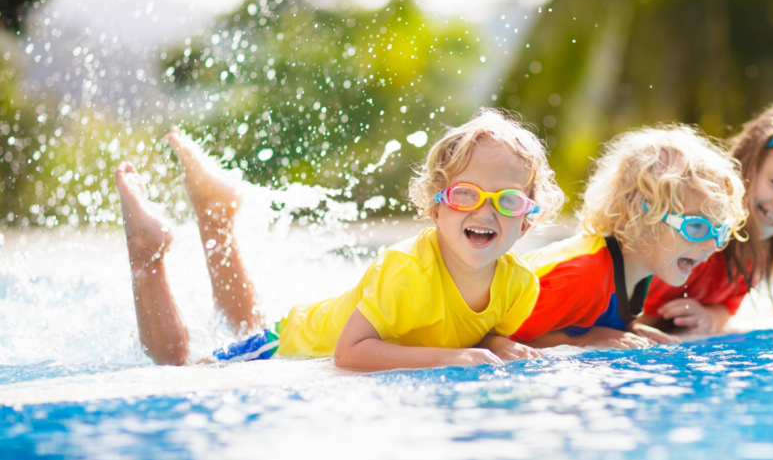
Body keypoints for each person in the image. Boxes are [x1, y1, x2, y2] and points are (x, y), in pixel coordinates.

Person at [115, 108, 564, 371]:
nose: (485, 211)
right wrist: (450, 359)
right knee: (181, 368)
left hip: (308, 333)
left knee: (243, 322)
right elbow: (349, 355)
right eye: (467, 195)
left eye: (507, 201)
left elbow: (478, 335)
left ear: (527, 219)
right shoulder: (408, 271)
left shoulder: (519, 286)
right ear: (436, 207)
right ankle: (148, 253)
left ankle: (217, 217)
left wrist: (497, 345)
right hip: (293, 342)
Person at [510, 125, 747, 349]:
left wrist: (633, 329)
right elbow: (502, 339)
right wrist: (590, 338)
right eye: (697, 227)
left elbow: (593, 316)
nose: (713, 245)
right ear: (642, 215)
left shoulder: (637, 273)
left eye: (720, 232)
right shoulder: (583, 274)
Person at [639, 102, 773, 335]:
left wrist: (709, 316)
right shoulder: (694, 230)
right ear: (744, 164)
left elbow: (728, 306)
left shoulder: (756, 252)